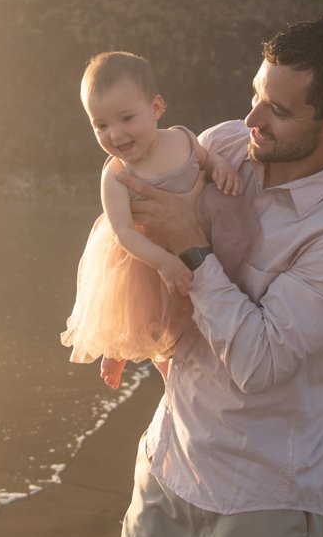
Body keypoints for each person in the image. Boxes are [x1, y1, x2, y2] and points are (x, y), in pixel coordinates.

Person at [112, 18, 323, 537]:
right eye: (256, 94)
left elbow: (259, 362)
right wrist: (122, 325)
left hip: (261, 500)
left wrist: (194, 246)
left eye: (280, 111)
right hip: (166, 467)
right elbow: (138, 226)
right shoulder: (223, 147)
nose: (252, 120)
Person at [61, 51, 261, 390]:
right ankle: (124, 352)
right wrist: (164, 262)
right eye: (101, 124)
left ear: (156, 108)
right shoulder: (117, 174)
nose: (116, 134)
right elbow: (123, 231)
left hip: (201, 231)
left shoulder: (182, 139)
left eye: (126, 118)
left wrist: (222, 169)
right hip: (148, 258)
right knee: (149, 319)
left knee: (198, 307)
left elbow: (207, 159)